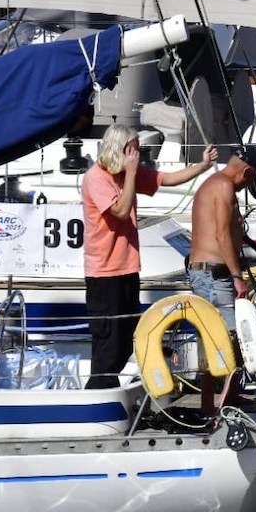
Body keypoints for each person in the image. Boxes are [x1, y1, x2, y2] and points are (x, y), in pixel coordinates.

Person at [81, 124, 216, 388]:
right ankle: (97, 390)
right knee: (107, 339)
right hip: (104, 274)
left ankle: (109, 387)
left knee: (128, 332)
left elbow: (166, 179)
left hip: (127, 269)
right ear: (123, 149)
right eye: (135, 150)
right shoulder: (96, 178)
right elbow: (119, 211)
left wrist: (202, 166)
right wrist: (131, 173)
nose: (139, 155)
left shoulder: (127, 174)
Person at [187, 145, 256, 412]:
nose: (248, 185)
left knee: (215, 338)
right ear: (246, 171)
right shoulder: (223, 186)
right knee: (230, 338)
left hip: (208, 273)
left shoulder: (216, 183)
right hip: (213, 275)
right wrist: (238, 276)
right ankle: (219, 404)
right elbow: (221, 235)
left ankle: (218, 401)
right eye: (252, 179)